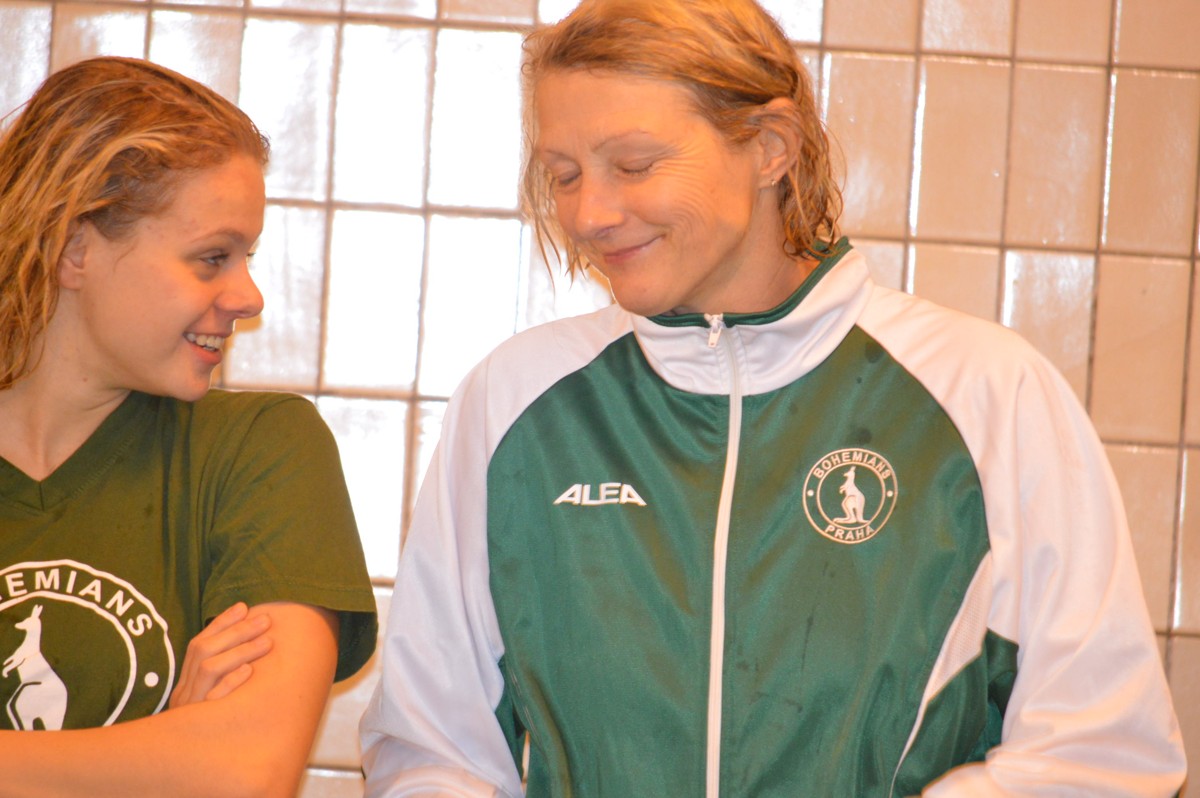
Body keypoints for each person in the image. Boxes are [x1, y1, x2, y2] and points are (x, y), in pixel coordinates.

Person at [359, 0, 1186, 795]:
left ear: (769, 147)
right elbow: (435, 752)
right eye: (563, 175)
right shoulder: (514, 404)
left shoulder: (986, 394)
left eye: (633, 165)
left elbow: (1103, 751)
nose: (589, 213)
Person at [0, 56, 377, 796]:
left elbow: (245, 770)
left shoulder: (261, 449)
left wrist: (196, 758)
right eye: (212, 258)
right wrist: (162, 748)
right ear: (74, 248)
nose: (249, 296)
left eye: (246, 256)